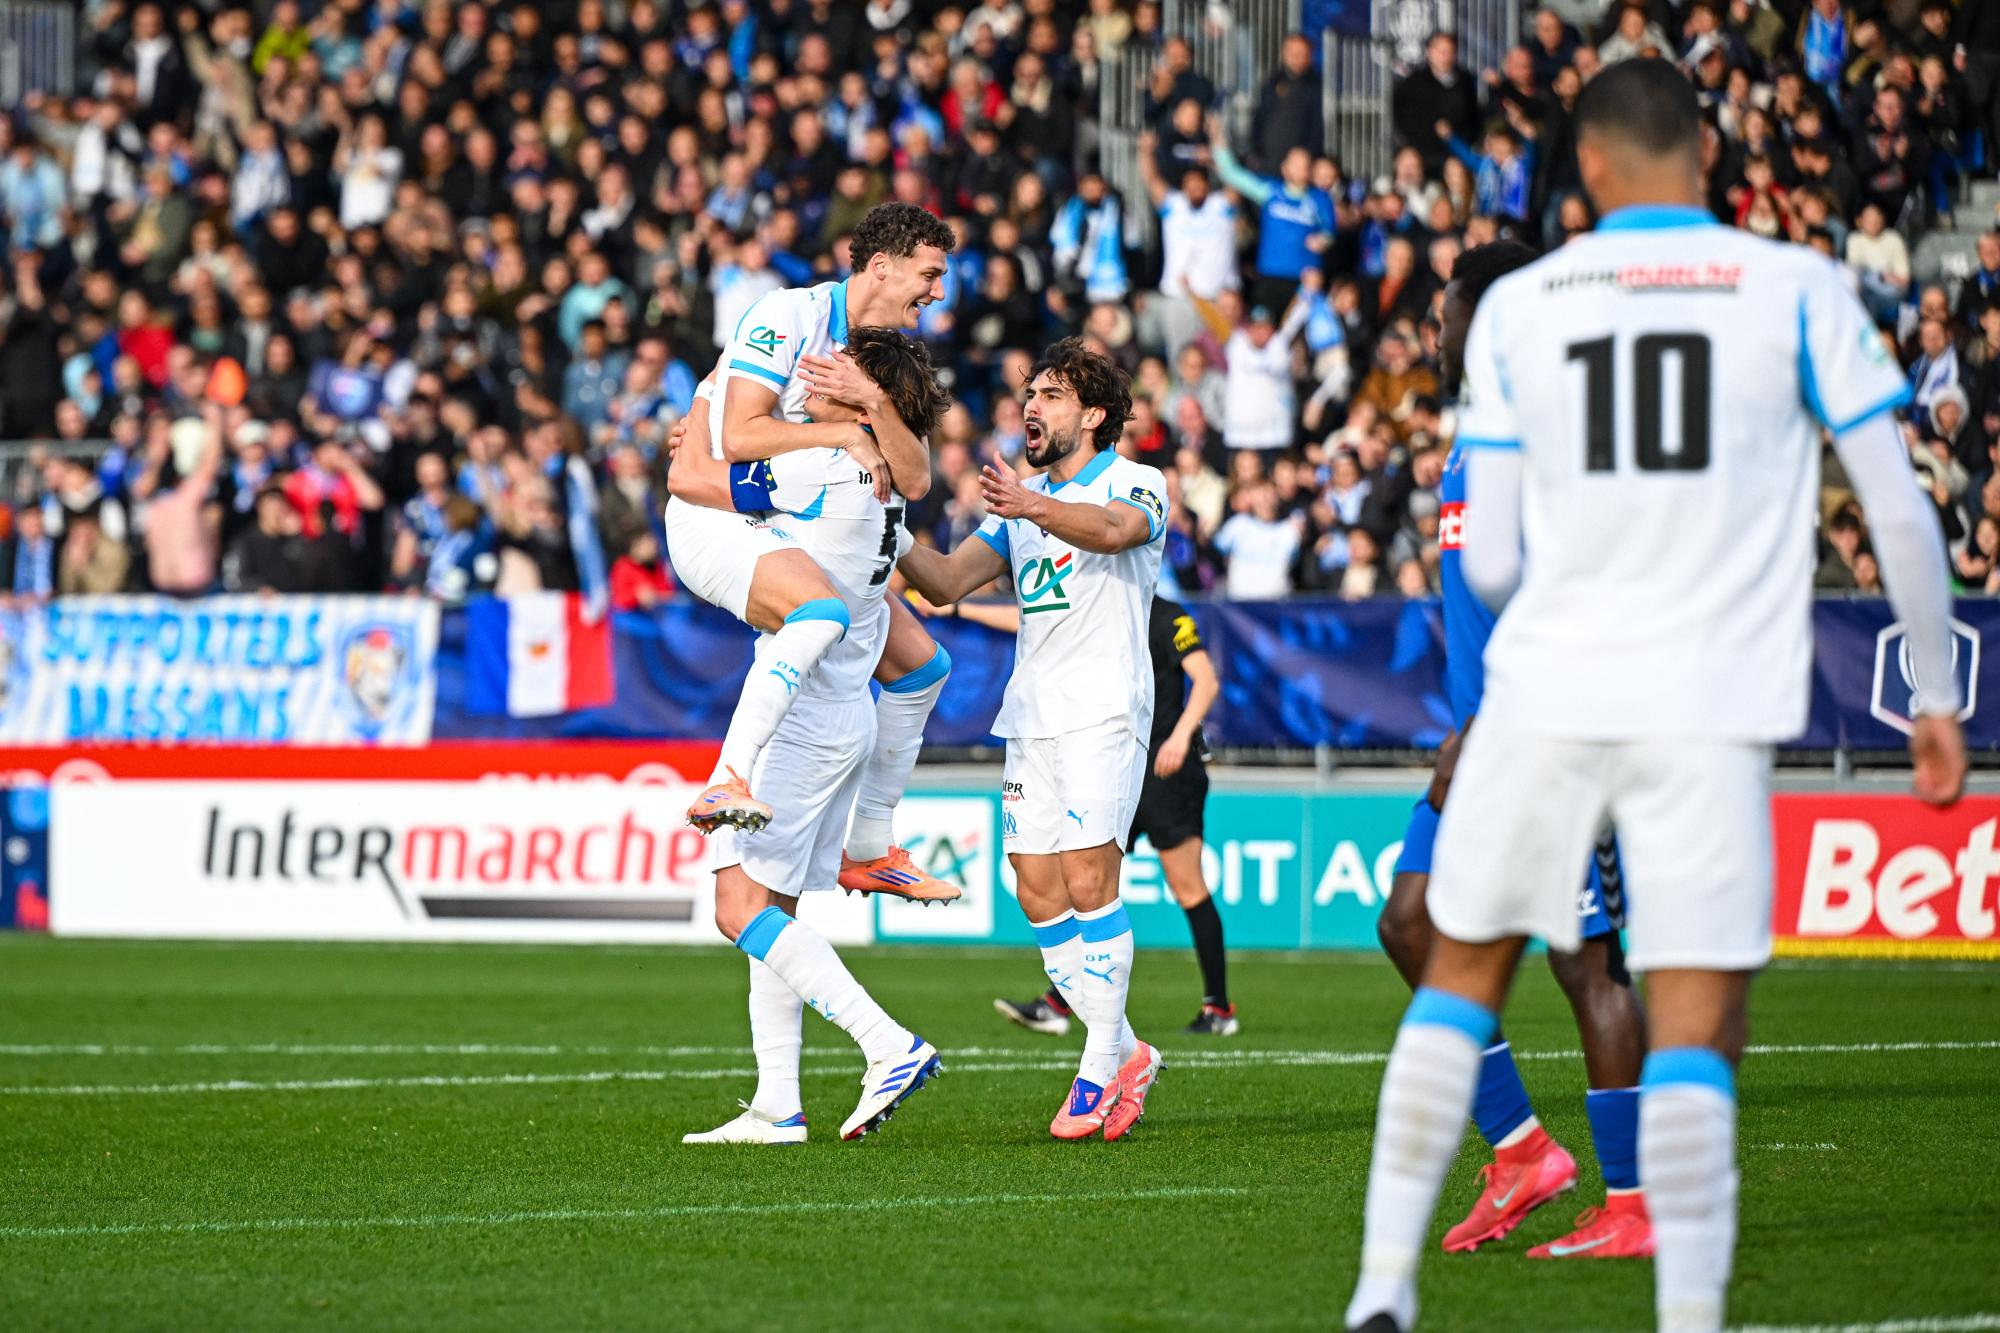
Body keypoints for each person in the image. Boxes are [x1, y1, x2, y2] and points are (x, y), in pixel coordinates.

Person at [1344, 61, 1964, 1333]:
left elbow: (1499, 558)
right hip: (1700, 701)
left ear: (1587, 167)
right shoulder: (1797, 286)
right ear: (1703, 151)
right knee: (1693, 1008)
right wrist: (1937, 692)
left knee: (1455, 964)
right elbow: (1897, 506)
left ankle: (1380, 1292)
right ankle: (1686, 1311)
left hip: (1546, 691)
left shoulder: (1532, 303)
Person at [1375, 240, 1653, 1269]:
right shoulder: (1473, 439)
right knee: (1407, 923)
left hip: (1543, 736)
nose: (1432, 332)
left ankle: (1632, 1201)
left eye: (1445, 314)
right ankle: (1525, 1152)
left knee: (1584, 961)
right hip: (1479, 744)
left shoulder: (1546, 437)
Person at [675, 325, 954, 1147]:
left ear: (860, 392)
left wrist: (702, 417)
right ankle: (777, 1105)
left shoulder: (817, 463)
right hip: (846, 715)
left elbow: (692, 478)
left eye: (831, 367)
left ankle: (886, 1043)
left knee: (739, 910)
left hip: (803, 717)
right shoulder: (879, 482)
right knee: (777, 911)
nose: (811, 371)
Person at [897, 338, 1170, 1142]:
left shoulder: (1136, 483)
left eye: (1050, 394)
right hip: (1034, 714)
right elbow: (944, 583)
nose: (1031, 406)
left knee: (1091, 880)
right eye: (1030, 393)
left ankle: (1093, 1072)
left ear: (1093, 413)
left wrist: (1033, 506)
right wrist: (879, 522)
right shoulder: (1020, 506)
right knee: (1036, 889)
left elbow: (1117, 532)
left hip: (1104, 709)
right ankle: (1129, 1050)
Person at [668, 203, 962, 904]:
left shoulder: (881, 356)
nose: (939, 291)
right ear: (881, 268)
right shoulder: (789, 316)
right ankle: (730, 774)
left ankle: (870, 846)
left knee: (924, 666)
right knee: (820, 612)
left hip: (792, 506)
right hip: (719, 507)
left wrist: (871, 412)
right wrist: (844, 438)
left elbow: (916, 477)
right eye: (930, 274)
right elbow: (737, 435)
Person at [996, 594, 1234, 1038]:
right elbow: (1026, 615)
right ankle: (1060, 1001)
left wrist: (1181, 737)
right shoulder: (1093, 609)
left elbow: (1205, 679)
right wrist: (956, 608)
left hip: (1165, 771)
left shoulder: (1167, 616)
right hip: (1112, 766)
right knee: (1086, 884)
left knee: (1187, 887)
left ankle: (1219, 1008)